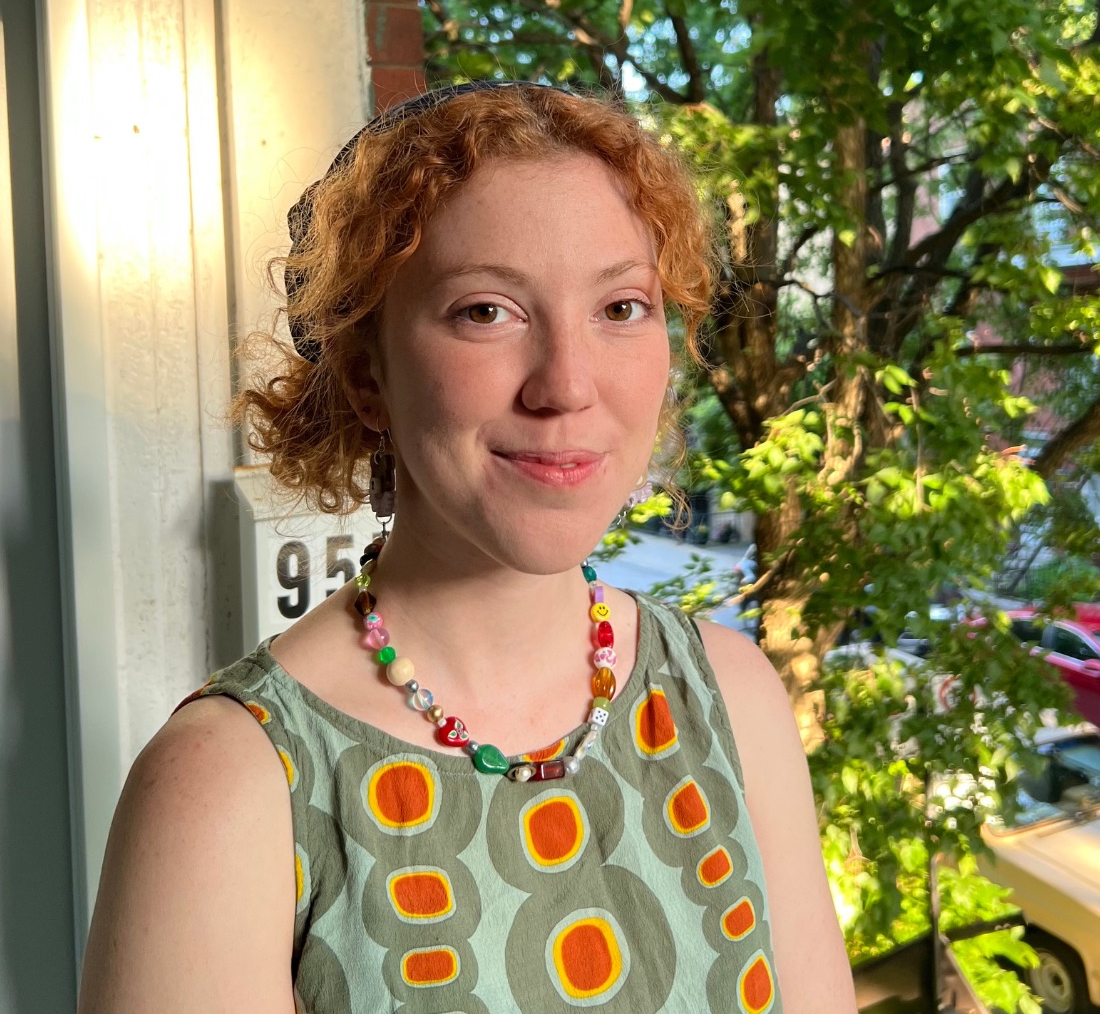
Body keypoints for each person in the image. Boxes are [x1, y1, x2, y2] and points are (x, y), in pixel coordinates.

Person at [79, 82, 856, 1013]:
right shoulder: (228, 786)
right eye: (486, 311)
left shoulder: (731, 698)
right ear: (367, 373)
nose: (567, 384)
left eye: (621, 307)